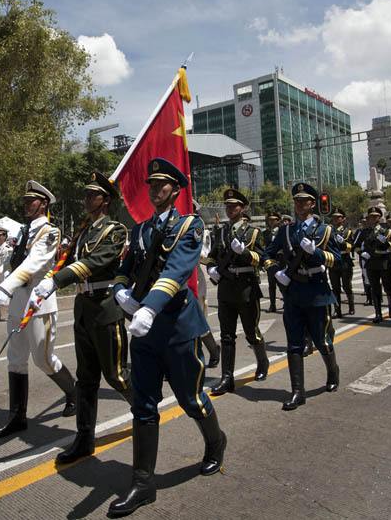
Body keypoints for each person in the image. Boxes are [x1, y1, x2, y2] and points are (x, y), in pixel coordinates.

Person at [108, 158, 226, 517]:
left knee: (190, 399)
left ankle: (216, 441)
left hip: (175, 327)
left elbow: (177, 271)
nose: (154, 189)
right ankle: (143, 484)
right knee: (143, 406)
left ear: (175, 190)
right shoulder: (140, 230)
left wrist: (149, 307)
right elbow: (124, 270)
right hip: (144, 331)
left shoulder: (189, 225)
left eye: (162, 184)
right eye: (151, 184)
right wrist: (120, 293)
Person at [30, 171, 132, 464]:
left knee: (116, 375)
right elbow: (74, 258)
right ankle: (84, 439)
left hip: (104, 306)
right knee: (86, 379)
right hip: (84, 306)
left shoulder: (115, 230)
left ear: (105, 201)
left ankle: (144, 410)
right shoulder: (84, 230)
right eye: (86, 194)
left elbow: (95, 262)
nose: (86, 199)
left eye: (92, 195)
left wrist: (57, 279)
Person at [0, 180, 77, 438]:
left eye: (32, 201)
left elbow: (34, 263)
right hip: (18, 299)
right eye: (25, 201)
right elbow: (9, 265)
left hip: (38, 302)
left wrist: (5, 288)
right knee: (15, 359)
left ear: (44, 203)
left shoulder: (50, 232)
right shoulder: (22, 231)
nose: (27, 204)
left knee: (43, 360)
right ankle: (17, 417)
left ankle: (73, 392)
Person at [263, 182, 342, 411]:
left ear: (312, 203)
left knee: (321, 340)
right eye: (296, 200)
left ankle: (332, 371)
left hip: (317, 291)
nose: (299, 204)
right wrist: (276, 272)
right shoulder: (286, 230)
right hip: (294, 292)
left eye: (304, 200)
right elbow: (267, 254)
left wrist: (315, 252)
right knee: (294, 344)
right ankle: (298, 392)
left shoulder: (324, 230)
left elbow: (339, 261)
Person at [207, 189, 270, 396]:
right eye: (228, 205)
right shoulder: (221, 232)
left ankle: (262, 361)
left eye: (234, 206)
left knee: (251, 332)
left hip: (246, 287)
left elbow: (262, 259)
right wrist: (211, 270)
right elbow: (211, 256)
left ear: (242, 209)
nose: (230, 209)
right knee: (226, 336)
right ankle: (227, 378)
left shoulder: (253, 233)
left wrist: (243, 252)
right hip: (226, 288)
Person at [192, 199, 221, 368]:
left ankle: (212, 349)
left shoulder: (198, 227)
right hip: (174, 278)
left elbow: (204, 253)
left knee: (197, 318)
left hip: (194, 276)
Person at [357, 206, 391, 323]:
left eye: (375, 216)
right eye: (371, 217)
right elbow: (356, 245)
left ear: (379, 217)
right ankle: (378, 312)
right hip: (371, 262)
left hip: (384, 261)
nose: (373, 218)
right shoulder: (364, 232)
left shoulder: (386, 231)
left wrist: (386, 243)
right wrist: (362, 253)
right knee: (375, 288)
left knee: (388, 286)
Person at [327, 207, 356, 317]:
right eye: (334, 217)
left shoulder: (347, 232)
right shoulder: (329, 231)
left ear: (343, 219)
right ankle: (337, 310)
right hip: (333, 261)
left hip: (345, 261)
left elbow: (351, 247)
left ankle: (351, 307)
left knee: (347, 286)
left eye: (338, 217)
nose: (335, 219)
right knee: (335, 287)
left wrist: (343, 242)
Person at [262, 212, 283, 313]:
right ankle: (272, 305)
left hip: (281, 260)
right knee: (271, 284)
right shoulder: (265, 233)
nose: (271, 221)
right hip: (270, 261)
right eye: (270, 220)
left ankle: (287, 302)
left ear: (278, 220)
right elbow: (263, 247)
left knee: (282, 283)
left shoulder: (282, 231)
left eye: (273, 219)